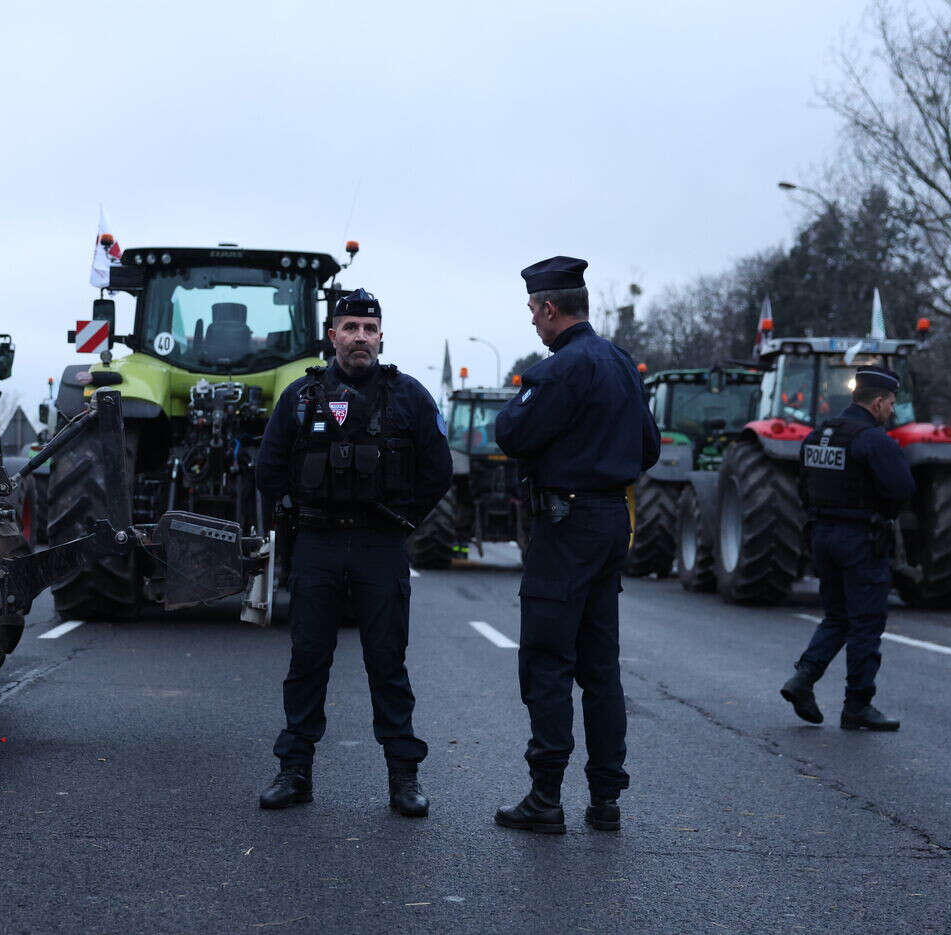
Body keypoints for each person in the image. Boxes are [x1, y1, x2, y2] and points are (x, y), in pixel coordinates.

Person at [253, 288, 453, 817]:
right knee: (307, 661)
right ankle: (294, 772)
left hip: (379, 546)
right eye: (350, 327)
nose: (360, 337)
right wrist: (297, 517)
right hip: (317, 545)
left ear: (381, 335)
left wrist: (404, 521)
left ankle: (403, 780)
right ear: (332, 335)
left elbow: (438, 471)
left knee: (387, 663)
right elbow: (268, 469)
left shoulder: (409, 396)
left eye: (369, 328)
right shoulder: (301, 396)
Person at [491, 256, 659, 835]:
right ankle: (606, 798)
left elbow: (511, 433)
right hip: (612, 520)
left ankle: (545, 797)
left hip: (565, 526)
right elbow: (650, 446)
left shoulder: (563, 368)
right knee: (600, 666)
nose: (534, 325)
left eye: (534, 313)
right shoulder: (619, 363)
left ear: (548, 308)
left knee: (548, 661)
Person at [780, 366, 915, 731]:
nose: (891, 411)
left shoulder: (818, 435)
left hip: (823, 535)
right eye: (889, 404)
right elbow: (903, 489)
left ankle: (803, 679)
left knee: (838, 616)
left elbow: (802, 487)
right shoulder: (872, 439)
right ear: (877, 402)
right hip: (859, 539)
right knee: (866, 622)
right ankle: (857, 704)